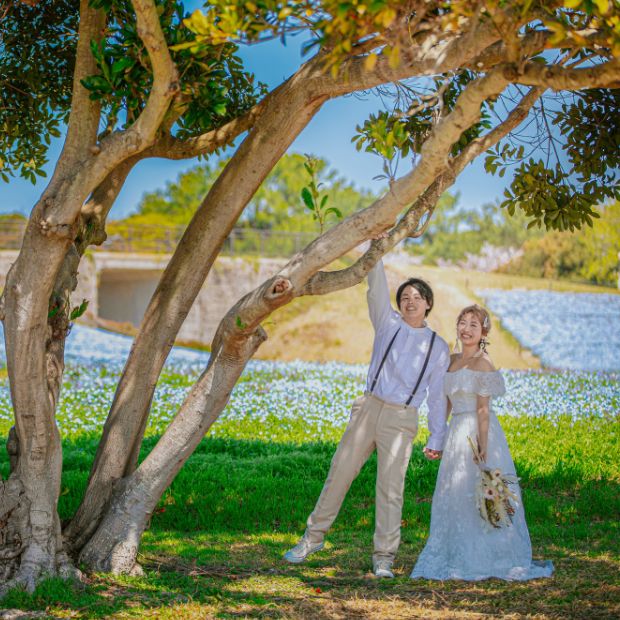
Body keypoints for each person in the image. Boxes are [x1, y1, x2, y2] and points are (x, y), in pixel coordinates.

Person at [283, 258, 450, 578]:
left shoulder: (437, 347)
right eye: (405, 297)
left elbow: (437, 396)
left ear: (428, 304)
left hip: (402, 418)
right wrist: (378, 248)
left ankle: (384, 557)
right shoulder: (387, 322)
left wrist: (436, 436)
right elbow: (376, 289)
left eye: (417, 297)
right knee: (340, 472)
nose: (410, 301)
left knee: (391, 488)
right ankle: (312, 539)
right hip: (369, 407)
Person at [410, 304, 554, 581]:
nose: (466, 329)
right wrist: (437, 437)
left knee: (483, 490)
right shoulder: (451, 361)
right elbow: (447, 403)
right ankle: (457, 551)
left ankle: (492, 554)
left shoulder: (483, 362)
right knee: (456, 492)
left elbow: (483, 410)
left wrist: (483, 446)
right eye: (462, 323)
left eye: (473, 325)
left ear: (483, 331)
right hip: (455, 434)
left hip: (479, 432)